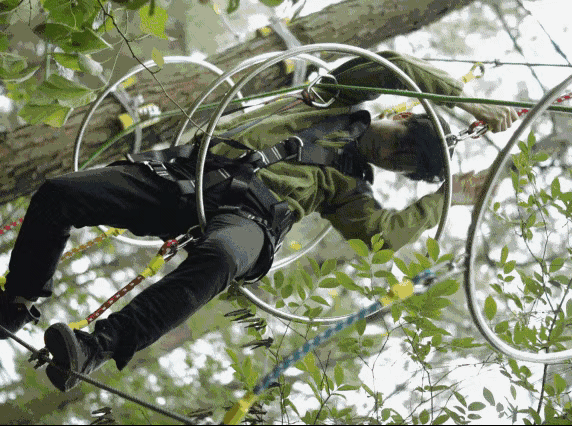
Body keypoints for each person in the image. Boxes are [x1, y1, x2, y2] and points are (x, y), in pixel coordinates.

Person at [0, 51, 517, 392]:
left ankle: (96, 347)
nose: (395, 152)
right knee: (59, 194)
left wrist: (448, 198)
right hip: (186, 175)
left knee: (224, 257)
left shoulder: (352, 191)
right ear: (400, 116)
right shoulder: (334, 97)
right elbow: (389, 67)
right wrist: (457, 97)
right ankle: (18, 302)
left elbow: (382, 237)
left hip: (252, 216)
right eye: (404, 140)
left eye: (405, 162)